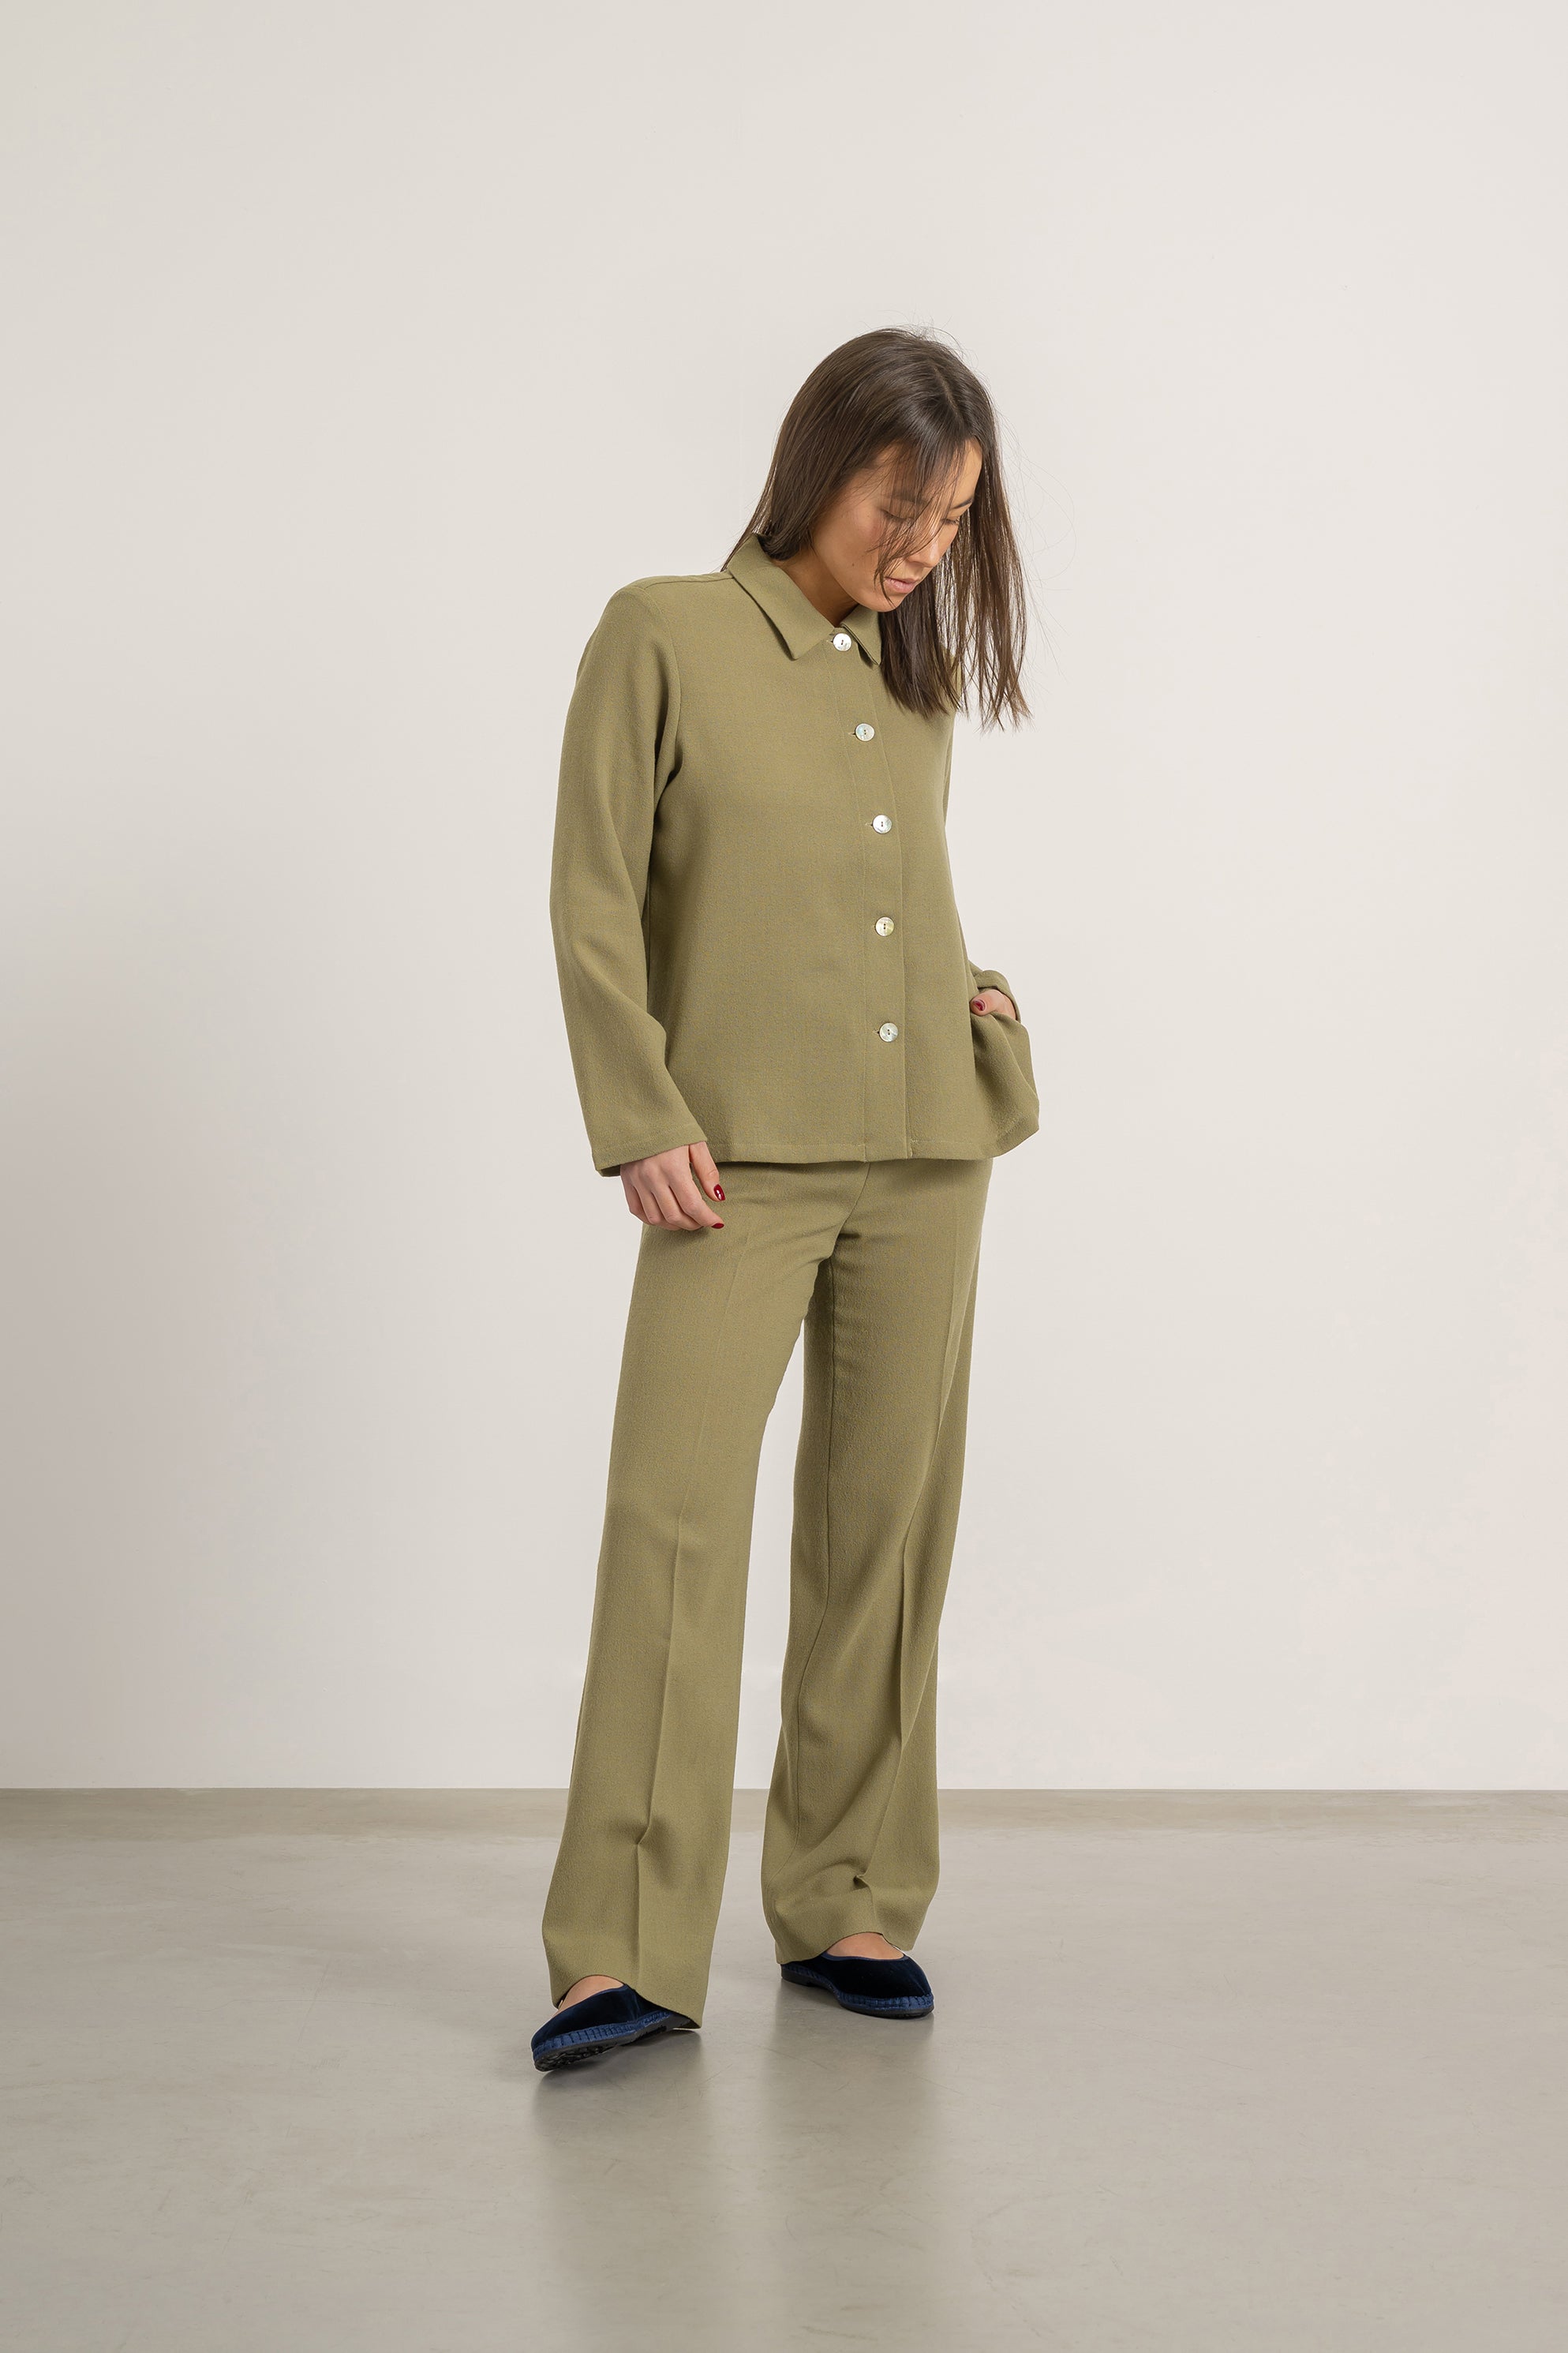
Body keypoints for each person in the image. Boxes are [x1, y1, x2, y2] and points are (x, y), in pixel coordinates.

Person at [532, 326, 1039, 2072]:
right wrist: (637, 1113)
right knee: (673, 1524)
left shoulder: (919, 679)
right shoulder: (662, 632)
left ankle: (848, 1896)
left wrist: (979, 1002)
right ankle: (619, 1948)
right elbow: (594, 893)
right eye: (901, 504)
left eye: (953, 519)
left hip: (926, 1151)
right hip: (728, 1160)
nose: (922, 546)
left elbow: (889, 901)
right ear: (820, 466)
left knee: (885, 1535)